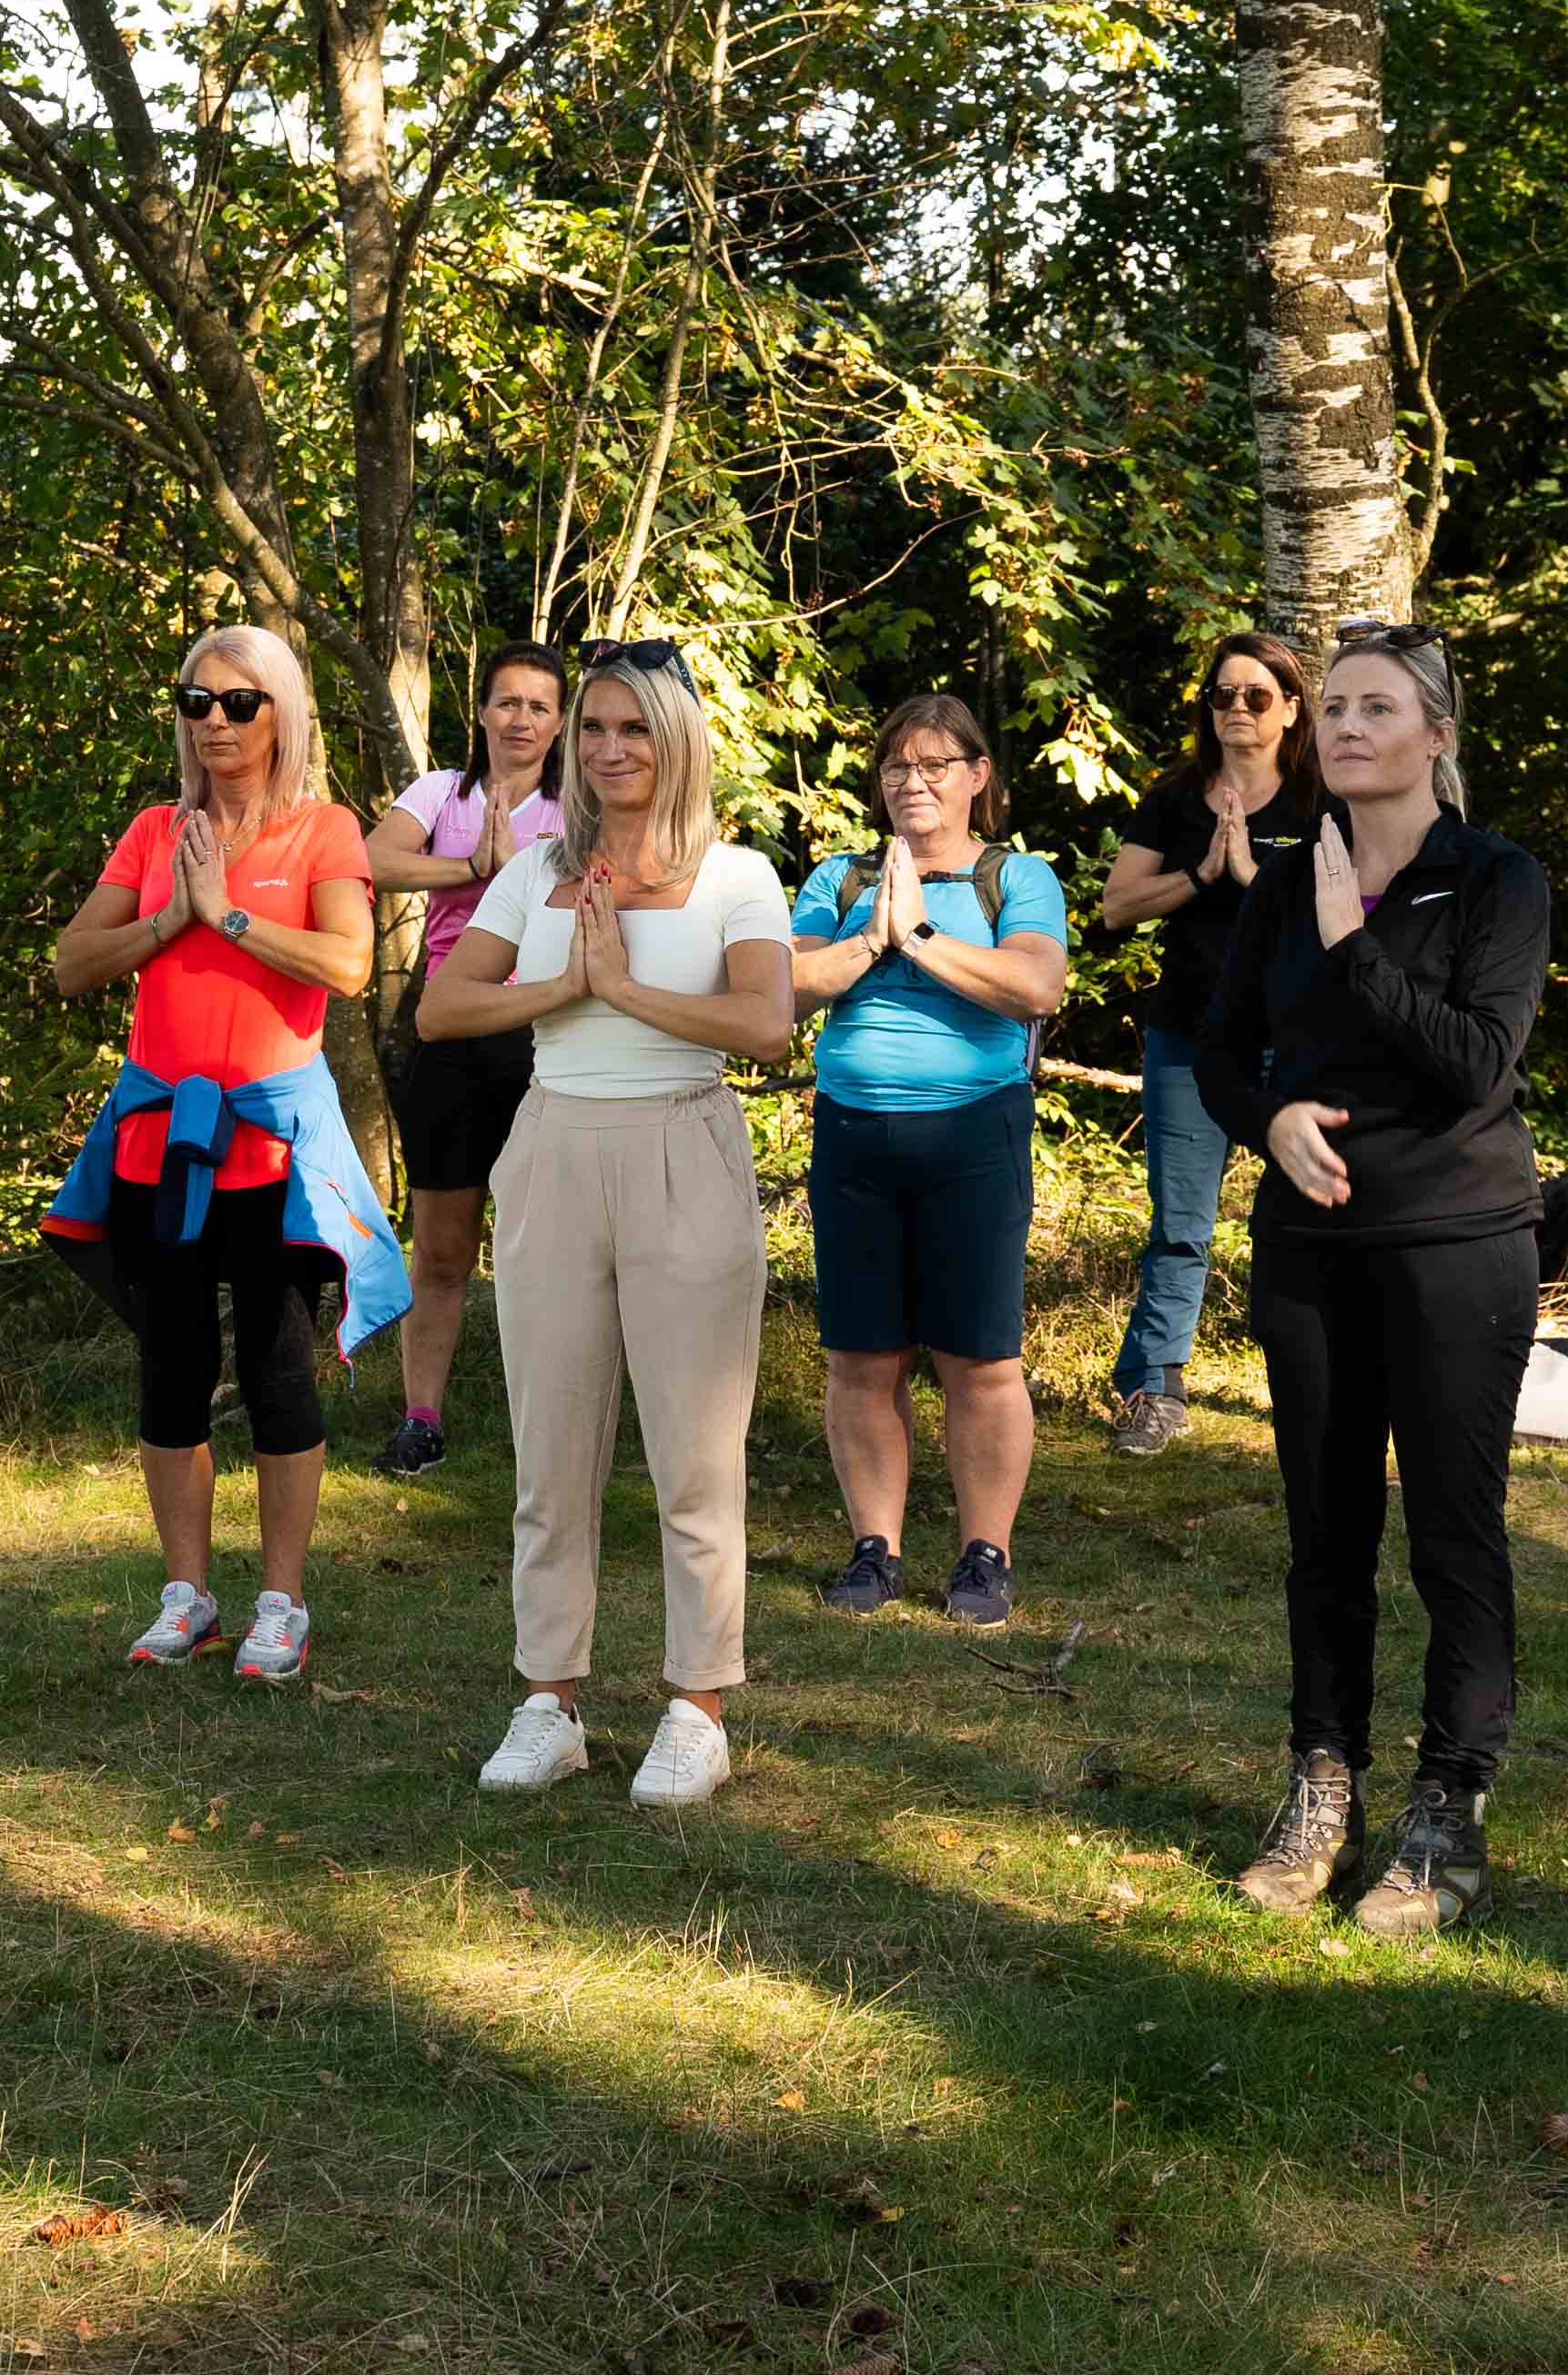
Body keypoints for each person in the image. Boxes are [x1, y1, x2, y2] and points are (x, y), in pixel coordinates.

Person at [1195, 626, 1553, 1938]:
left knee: (1454, 1534)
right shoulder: (1289, 877)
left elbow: (1477, 1064)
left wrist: (1357, 951)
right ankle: (1321, 1786)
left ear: (1436, 734)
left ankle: (1448, 1811)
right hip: (1311, 1249)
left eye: (1377, 707)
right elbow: (1218, 1052)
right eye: (1334, 706)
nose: (1346, 726)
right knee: (1326, 1532)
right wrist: (1270, 1121)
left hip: (1457, 1242)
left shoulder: (1497, 878)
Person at [422, 642, 794, 1802]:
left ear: (676, 740)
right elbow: (443, 1006)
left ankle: (697, 1707)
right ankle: (550, 1701)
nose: (610, 748)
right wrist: (567, 987)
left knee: (694, 1455)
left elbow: (767, 1025)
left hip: (683, 1144)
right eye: (593, 728)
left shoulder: (736, 875)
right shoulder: (535, 870)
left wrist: (625, 987)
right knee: (550, 1448)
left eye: (634, 728)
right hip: (553, 1146)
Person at [46, 623, 402, 1680]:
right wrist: (173, 919)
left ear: (280, 715)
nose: (214, 720)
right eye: (195, 700)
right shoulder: (156, 832)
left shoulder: (324, 830)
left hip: (274, 1149)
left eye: (238, 703)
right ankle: (187, 1594)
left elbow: (349, 963)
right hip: (160, 1143)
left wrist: (231, 918)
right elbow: (72, 961)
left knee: (277, 1367)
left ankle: (281, 1602)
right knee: (171, 1367)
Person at [790, 692, 1073, 1626]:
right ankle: (875, 1549)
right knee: (861, 1357)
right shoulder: (840, 877)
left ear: (977, 776)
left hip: (974, 1137)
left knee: (979, 1357)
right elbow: (783, 985)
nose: (912, 781)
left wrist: (917, 936)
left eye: (935, 764)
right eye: (897, 766)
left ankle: (985, 1556)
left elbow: (1034, 985)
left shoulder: (1015, 877)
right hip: (854, 1136)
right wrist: (873, 934)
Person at [1093, 631, 1305, 1453]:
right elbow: (1117, 906)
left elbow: (1347, 918)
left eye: (1257, 695)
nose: (1237, 709)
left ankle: (1319, 1373)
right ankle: (1155, 1388)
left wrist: (1253, 877)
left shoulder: (1322, 801)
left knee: (1308, 1216)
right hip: (1190, 1037)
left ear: (1291, 709)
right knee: (1181, 1223)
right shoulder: (1177, 799)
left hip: (1299, 1042)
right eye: (1223, 695)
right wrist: (1201, 875)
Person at [359, 643, 568, 1471]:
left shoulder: (577, 804)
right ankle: (422, 1420)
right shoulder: (443, 793)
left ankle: (548, 1428)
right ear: (481, 711)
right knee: (441, 1250)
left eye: (540, 707)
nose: (521, 720)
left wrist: (521, 877)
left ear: (561, 723)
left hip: (544, 1033)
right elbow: (369, 860)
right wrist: (471, 867)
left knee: (544, 1251)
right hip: (448, 1033)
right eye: (507, 702)